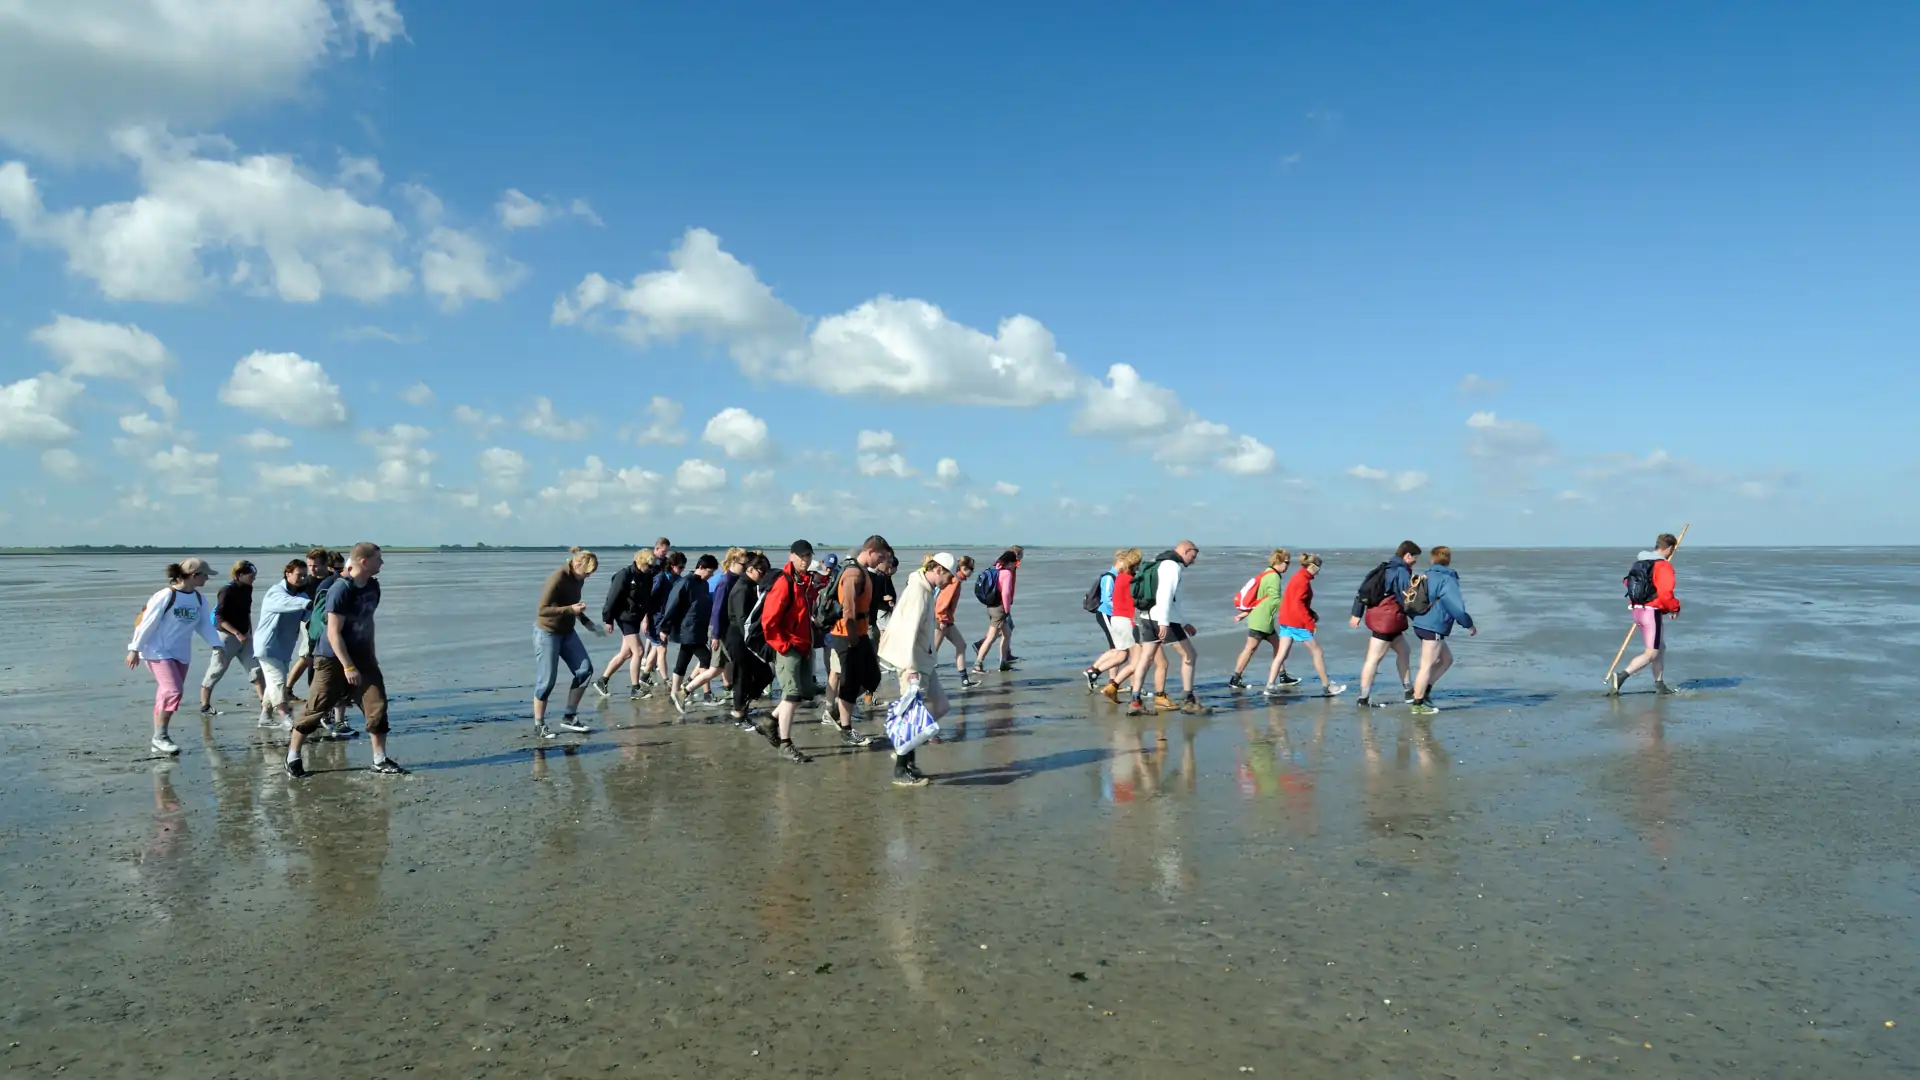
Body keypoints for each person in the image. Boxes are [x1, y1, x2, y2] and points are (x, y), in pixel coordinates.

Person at [287, 542, 406, 777]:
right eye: (378, 559)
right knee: (317, 707)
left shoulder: (373, 587)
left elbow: (368, 621)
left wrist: (370, 656)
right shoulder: (340, 590)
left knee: (377, 705)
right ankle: (293, 756)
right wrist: (348, 666)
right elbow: (333, 632)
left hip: (363, 656)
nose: (381, 563)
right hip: (331, 658)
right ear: (364, 561)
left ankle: (379, 759)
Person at [878, 553, 959, 787]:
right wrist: (910, 668)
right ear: (939, 570)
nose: (950, 581)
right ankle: (902, 769)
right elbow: (907, 631)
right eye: (949, 576)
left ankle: (905, 748)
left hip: (924, 660)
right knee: (912, 715)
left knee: (941, 706)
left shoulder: (925, 589)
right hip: (912, 663)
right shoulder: (918, 592)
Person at [126, 558, 222, 755]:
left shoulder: (198, 598)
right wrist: (134, 649)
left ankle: (159, 738)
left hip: (181, 653)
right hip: (157, 650)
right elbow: (147, 623)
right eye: (205, 575)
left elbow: (203, 624)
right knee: (173, 690)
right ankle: (161, 737)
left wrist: (217, 645)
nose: (207, 579)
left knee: (166, 693)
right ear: (194, 575)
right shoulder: (165, 596)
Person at [1124, 541, 1205, 716]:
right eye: (1193, 556)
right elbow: (1165, 595)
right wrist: (1164, 622)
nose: (1193, 560)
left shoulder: (1157, 562)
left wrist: (1184, 622)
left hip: (1146, 616)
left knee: (1145, 658)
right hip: (1164, 619)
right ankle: (1188, 700)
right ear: (1185, 550)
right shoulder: (1172, 566)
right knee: (1189, 655)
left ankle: (1135, 701)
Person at [757, 541, 819, 763]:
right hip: (788, 647)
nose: (806, 560)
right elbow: (769, 621)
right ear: (791, 556)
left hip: (802, 645)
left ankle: (769, 721)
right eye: (802, 556)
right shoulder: (784, 583)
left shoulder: (802, 581)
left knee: (801, 693)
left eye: (808, 556)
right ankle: (786, 744)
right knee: (791, 694)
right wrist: (783, 646)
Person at [825, 537, 888, 745]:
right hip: (846, 635)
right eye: (880, 556)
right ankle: (846, 728)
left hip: (859, 634)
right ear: (870, 551)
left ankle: (839, 707)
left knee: (873, 677)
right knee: (850, 682)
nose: (881, 561)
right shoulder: (853, 573)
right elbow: (848, 611)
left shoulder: (864, 572)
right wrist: (853, 639)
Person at [533, 548, 599, 739]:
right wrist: (571, 609)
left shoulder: (579, 578)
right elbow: (543, 610)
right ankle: (539, 725)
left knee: (585, 670)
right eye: (587, 573)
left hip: (567, 632)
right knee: (547, 681)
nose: (588, 576)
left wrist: (588, 623)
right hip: (547, 633)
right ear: (577, 564)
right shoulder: (558, 578)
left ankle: (569, 716)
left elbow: (573, 605)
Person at [1607, 533, 1681, 696]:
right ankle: (1620, 677)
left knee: (1659, 647)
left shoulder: (1640, 563)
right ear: (1669, 548)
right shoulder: (1663, 566)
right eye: (1672, 550)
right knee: (1651, 652)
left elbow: (1628, 583)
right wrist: (1674, 608)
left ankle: (1660, 684)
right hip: (1651, 612)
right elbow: (1665, 593)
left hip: (1637, 610)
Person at [1350, 541, 1421, 707]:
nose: (1415, 562)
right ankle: (1363, 698)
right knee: (1373, 659)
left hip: (1384, 618)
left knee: (1404, 651)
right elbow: (1406, 598)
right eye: (1415, 558)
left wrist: (1357, 613)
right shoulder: (1401, 571)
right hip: (1387, 621)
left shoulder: (1385, 567)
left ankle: (1408, 689)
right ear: (1407, 555)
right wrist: (1420, 617)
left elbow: (1363, 590)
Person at [1267, 553, 1346, 698]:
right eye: (1318, 568)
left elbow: (1296, 601)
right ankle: (1327, 686)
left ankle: (1270, 686)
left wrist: (1311, 612)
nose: (1319, 571)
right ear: (1312, 566)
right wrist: (1309, 623)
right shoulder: (1303, 581)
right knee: (1317, 652)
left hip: (1286, 620)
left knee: (1281, 654)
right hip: (1297, 623)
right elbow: (1298, 604)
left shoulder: (1297, 577)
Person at [1409, 546, 1476, 714]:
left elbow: (1409, 600)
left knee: (1446, 659)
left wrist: (1417, 619)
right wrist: (1468, 624)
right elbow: (1456, 607)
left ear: (1432, 559)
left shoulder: (1422, 576)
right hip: (1434, 627)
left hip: (1420, 624)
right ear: (1448, 560)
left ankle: (1425, 691)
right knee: (1426, 665)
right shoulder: (1448, 580)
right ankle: (1418, 704)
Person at [198, 560, 264, 715]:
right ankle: (205, 706)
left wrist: (249, 632)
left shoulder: (248, 589)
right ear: (239, 575)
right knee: (216, 670)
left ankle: (264, 703)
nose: (254, 579)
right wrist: (236, 633)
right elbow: (219, 616)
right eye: (251, 576)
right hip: (226, 637)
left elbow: (247, 612)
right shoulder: (226, 591)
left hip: (245, 637)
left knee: (256, 670)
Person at [253, 559, 313, 730]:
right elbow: (286, 603)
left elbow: (307, 616)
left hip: (285, 648)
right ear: (288, 574)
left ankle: (265, 716)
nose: (302, 578)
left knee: (274, 683)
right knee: (278, 682)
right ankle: (286, 718)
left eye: (304, 575)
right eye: (298, 575)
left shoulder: (302, 596)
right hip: (267, 646)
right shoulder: (275, 593)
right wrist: (308, 604)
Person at [1228, 550, 1297, 692]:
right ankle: (1235, 678)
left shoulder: (1266, 573)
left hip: (1262, 618)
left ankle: (1283, 676)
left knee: (1278, 646)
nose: (1288, 565)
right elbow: (1274, 599)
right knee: (1250, 648)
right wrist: (1292, 608)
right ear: (1278, 561)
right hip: (1262, 620)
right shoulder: (1274, 577)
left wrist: (1244, 614)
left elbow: (1260, 598)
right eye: (1287, 562)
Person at [594, 549, 659, 698]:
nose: (650, 569)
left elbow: (647, 598)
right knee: (639, 651)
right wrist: (608, 619)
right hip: (624, 617)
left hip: (636, 616)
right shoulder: (624, 575)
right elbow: (612, 597)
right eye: (649, 566)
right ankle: (635, 688)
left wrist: (646, 617)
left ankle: (602, 681)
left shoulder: (646, 576)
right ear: (641, 562)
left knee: (626, 653)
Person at [661, 554, 720, 715]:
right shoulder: (685, 582)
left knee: (683, 660)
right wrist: (664, 628)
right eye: (709, 571)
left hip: (699, 628)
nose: (711, 574)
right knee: (707, 659)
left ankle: (674, 694)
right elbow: (672, 605)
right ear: (700, 567)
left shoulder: (704, 584)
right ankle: (697, 693)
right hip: (688, 629)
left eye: (713, 572)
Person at [721, 551, 773, 727]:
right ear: (750, 569)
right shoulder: (742, 588)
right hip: (738, 637)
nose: (763, 574)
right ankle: (738, 715)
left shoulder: (751, 585)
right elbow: (744, 621)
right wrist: (757, 643)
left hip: (748, 637)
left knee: (765, 674)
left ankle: (744, 706)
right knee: (741, 676)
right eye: (761, 570)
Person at [1085, 548, 1140, 695]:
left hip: (1115, 615)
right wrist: (1120, 610)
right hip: (1107, 613)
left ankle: (1107, 677)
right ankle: (1097, 672)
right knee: (1117, 649)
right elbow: (1107, 599)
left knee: (1118, 649)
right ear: (1120, 561)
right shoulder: (1110, 577)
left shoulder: (1120, 576)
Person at [282, 547, 330, 694]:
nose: (312, 569)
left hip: (329, 621)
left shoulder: (333, 580)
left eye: (315, 565)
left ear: (325, 564)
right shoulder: (306, 582)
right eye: (309, 565)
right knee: (307, 655)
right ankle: (288, 688)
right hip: (309, 622)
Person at [972, 549, 1019, 673]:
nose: (1016, 566)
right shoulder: (1007, 574)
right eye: (1016, 564)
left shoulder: (995, 569)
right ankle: (978, 664)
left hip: (991, 606)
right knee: (991, 637)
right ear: (1010, 563)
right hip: (999, 608)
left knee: (1007, 634)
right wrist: (1007, 609)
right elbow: (1006, 593)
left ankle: (1003, 663)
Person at [933, 554, 975, 687]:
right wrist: (942, 619)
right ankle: (918, 681)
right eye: (970, 569)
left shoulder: (956, 580)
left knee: (961, 645)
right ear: (962, 567)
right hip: (941, 620)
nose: (972, 572)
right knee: (932, 653)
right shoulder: (954, 581)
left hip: (947, 620)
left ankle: (965, 680)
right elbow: (942, 602)